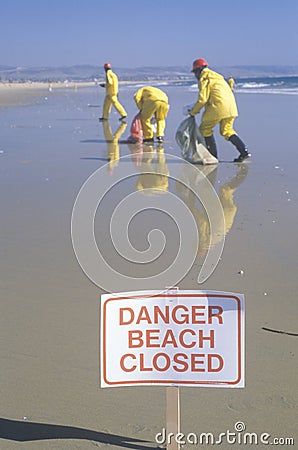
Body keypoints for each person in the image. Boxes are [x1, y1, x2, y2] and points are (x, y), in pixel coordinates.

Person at [189, 58, 251, 162]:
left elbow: (203, 99)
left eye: (195, 72)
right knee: (227, 131)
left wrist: (193, 112)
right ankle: (244, 152)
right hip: (231, 108)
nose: (195, 75)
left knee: (205, 130)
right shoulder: (219, 78)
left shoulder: (205, 79)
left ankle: (213, 157)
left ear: (198, 70)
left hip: (217, 108)